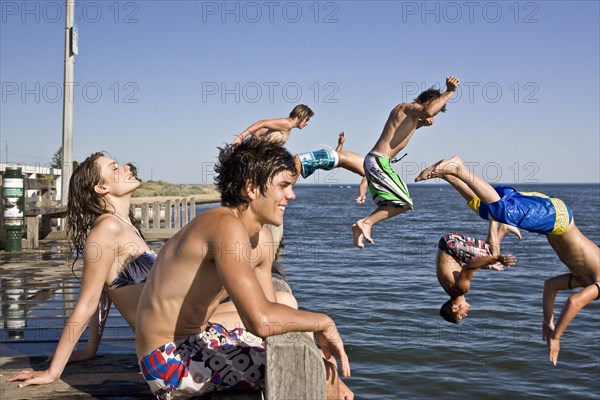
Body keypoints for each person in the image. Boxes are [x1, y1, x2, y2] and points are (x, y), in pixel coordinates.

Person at [135, 138, 352, 399]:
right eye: (283, 186)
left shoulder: (262, 237)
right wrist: (324, 322)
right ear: (251, 188)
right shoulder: (224, 225)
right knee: (317, 373)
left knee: (314, 357)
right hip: (166, 360)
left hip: (198, 338)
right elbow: (260, 322)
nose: (291, 195)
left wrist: (311, 334)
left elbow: (272, 313)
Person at [416, 155, 600, 365]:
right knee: (499, 211)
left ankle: (450, 175)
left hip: (553, 220)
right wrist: (556, 337)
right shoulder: (597, 280)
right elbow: (574, 301)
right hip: (557, 218)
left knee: (486, 209)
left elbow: (550, 286)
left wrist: (548, 323)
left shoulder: (584, 278)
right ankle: (458, 169)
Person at [7, 152, 157, 388]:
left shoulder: (126, 226)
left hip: (172, 332)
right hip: (164, 344)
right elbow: (87, 303)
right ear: (100, 187)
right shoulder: (107, 228)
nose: (127, 167)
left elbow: (105, 293)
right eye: (114, 168)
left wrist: (90, 349)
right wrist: (53, 372)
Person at [352, 75, 460, 248]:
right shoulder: (405, 107)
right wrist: (449, 91)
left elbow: (401, 131)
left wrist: (420, 125)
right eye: (437, 108)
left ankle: (361, 226)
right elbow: (429, 111)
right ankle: (366, 223)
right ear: (427, 101)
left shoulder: (409, 117)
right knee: (404, 202)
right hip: (378, 161)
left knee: (394, 203)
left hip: (378, 162)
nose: (435, 114)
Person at [437, 221, 519, 324]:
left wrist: (497, 258)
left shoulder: (460, 289)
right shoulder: (451, 289)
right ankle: (503, 229)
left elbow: (469, 266)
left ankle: (495, 220)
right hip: (447, 243)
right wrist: (488, 266)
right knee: (488, 255)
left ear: (454, 308)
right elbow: (467, 269)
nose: (465, 315)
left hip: (451, 244)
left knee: (492, 254)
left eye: (461, 316)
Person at [232, 104, 314, 145]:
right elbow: (261, 123)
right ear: (300, 115)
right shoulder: (287, 123)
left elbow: (259, 131)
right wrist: (240, 138)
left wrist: (256, 142)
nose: (307, 123)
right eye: (307, 120)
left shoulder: (288, 127)